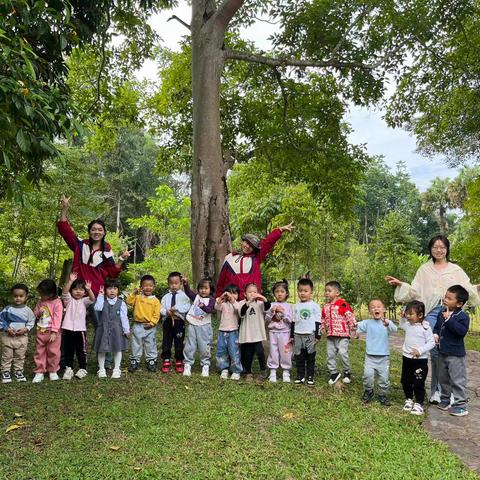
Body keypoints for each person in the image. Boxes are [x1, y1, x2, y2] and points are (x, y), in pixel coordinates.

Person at [385, 234, 480, 404]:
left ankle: (448, 391)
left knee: (448, 352)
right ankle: (436, 390)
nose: (439, 250)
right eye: (435, 247)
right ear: (430, 249)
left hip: (451, 314)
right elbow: (415, 290)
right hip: (432, 313)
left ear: (447, 249)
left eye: (442, 247)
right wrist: (401, 285)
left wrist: (477, 288)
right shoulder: (424, 269)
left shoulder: (456, 270)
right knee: (435, 353)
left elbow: (466, 289)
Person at [216, 223, 294, 300]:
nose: (247, 246)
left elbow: (267, 243)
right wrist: (218, 297)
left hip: (252, 300)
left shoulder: (256, 258)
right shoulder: (229, 258)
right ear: (242, 242)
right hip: (231, 300)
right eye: (246, 243)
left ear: (254, 249)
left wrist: (279, 230)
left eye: (251, 246)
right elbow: (221, 281)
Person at [434, 285, 470, 417]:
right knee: (443, 378)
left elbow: (461, 332)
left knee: (457, 379)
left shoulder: (462, 317)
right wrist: (435, 334)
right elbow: (437, 327)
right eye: (445, 296)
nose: (445, 299)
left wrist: (449, 319)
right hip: (442, 352)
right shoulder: (441, 312)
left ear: (459, 303)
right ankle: (445, 400)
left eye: (449, 298)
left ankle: (460, 405)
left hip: (455, 355)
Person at [356, 299, 397, 406]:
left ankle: (382, 395)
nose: (376, 308)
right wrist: (354, 332)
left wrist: (388, 324)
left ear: (384, 309)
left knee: (384, 378)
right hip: (370, 357)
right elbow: (356, 326)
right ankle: (368, 391)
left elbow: (394, 329)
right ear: (370, 311)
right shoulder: (367, 323)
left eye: (379, 306)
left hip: (383, 357)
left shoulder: (387, 323)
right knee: (367, 376)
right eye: (373, 307)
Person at [399, 301, 435, 416]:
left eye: (410, 314)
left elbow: (432, 343)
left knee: (418, 382)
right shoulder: (408, 324)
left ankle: (419, 403)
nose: (408, 316)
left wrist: (420, 350)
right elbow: (401, 325)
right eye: (407, 313)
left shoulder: (425, 328)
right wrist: (402, 318)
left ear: (420, 315)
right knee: (406, 381)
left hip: (420, 361)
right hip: (407, 358)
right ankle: (408, 399)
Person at [93, 278, 130, 379]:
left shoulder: (121, 303)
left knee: (117, 349)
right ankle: (101, 369)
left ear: (118, 290)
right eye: (109, 288)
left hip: (116, 329)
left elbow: (124, 317)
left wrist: (126, 330)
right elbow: (97, 308)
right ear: (105, 290)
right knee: (101, 349)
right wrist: (100, 296)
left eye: (115, 288)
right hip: (103, 329)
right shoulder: (102, 301)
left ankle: (116, 369)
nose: (112, 290)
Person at [322, 281, 357, 385]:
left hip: (343, 335)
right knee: (330, 355)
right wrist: (322, 327)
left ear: (337, 293)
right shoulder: (325, 307)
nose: (326, 293)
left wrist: (353, 328)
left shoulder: (342, 304)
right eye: (326, 291)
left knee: (342, 353)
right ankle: (334, 373)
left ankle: (347, 372)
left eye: (329, 291)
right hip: (330, 336)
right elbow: (323, 318)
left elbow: (349, 316)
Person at [61, 273, 95, 380]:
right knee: (68, 349)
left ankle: (82, 368)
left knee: (81, 350)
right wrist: (70, 281)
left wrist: (89, 289)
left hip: (80, 330)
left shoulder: (84, 301)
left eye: (81, 289)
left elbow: (92, 298)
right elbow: (64, 292)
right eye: (75, 289)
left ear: (84, 292)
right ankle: (69, 368)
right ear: (71, 291)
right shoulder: (68, 300)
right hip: (68, 329)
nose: (78, 291)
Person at [0, 284, 35, 383]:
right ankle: (5, 372)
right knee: (7, 355)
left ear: (26, 297)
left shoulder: (28, 310)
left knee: (20, 355)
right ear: (12, 296)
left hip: (22, 337)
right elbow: (1, 320)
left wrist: (26, 328)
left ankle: (18, 371)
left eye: (21, 296)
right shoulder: (7, 309)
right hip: (7, 337)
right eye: (15, 296)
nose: (18, 298)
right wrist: (7, 328)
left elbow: (31, 321)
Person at [290, 277, 321, 387]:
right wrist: (291, 335)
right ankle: (300, 376)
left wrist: (318, 335)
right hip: (298, 334)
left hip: (310, 335)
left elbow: (318, 322)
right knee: (299, 356)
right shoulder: (295, 306)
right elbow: (293, 322)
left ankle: (310, 376)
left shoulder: (315, 306)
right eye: (300, 290)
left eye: (305, 291)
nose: (302, 293)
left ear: (311, 292)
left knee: (310, 356)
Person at [126, 275, 161, 373]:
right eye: (145, 285)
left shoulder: (155, 301)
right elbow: (128, 301)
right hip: (137, 324)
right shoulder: (137, 297)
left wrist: (152, 323)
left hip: (150, 326)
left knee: (150, 343)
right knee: (136, 343)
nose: (148, 288)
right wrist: (133, 293)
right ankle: (135, 360)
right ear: (141, 287)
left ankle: (151, 360)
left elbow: (156, 314)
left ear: (154, 287)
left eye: (150, 285)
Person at [182, 277, 215, 377]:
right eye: (201, 288)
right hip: (192, 324)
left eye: (206, 288)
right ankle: (187, 364)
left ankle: (205, 365)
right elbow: (188, 292)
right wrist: (185, 284)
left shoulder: (211, 300)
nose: (203, 290)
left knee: (204, 346)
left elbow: (210, 310)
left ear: (210, 290)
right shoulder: (196, 297)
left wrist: (203, 307)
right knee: (190, 344)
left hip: (204, 326)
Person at [32, 279, 63, 383]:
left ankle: (53, 370)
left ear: (51, 293)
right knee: (39, 351)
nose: (41, 296)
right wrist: (38, 312)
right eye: (40, 293)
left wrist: (54, 331)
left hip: (52, 332)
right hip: (41, 330)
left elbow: (58, 317)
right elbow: (35, 314)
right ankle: (40, 371)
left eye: (43, 294)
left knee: (53, 351)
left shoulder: (57, 302)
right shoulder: (40, 302)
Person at [239, 283, 270, 382]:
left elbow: (267, 307)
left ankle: (263, 371)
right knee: (247, 354)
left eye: (255, 292)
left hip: (257, 334)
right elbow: (242, 313)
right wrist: (249, 302)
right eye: (250, 292)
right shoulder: (242, 303)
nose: (252, 294)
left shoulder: (260, 304)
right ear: (245, 294)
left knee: (260, 352)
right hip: (247, 334)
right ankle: (248, 372)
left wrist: (263, 298)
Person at [160, 272, 191, 374]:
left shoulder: (184, 296)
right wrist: (166, 312)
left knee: (179, 341)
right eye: (171, 283)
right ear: (168, 283)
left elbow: (187, 307)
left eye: (176, 283)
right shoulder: (165, 297)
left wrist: (176, 307)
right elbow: (161, 308)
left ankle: (179, 359)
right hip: (168, 321)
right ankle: (166, 359)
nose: (174, 285)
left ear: (180, 283)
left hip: (178, 321)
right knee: (166, 341)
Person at [265, 280, 293, 383]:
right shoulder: (271, 305)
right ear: (274, 293)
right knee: (273, 351)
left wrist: (283, 313)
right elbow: (267, 320)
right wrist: (272, 312)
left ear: (286, 293)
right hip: (273, 332)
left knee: (286, 351)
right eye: (277, 291)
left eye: (282, 291)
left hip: (285, 333)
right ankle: (273, 371)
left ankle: (286, 371)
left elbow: (290, 320)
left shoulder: (289, 306)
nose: (280, 294)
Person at [215, 284, 243, 380]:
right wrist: (222, 297)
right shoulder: (223, 304)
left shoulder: (238, 304)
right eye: (230, 293)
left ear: (238, 295)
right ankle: (224, 368)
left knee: (234, 351)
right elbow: (216, 306)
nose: (232, 295)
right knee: (221, 351)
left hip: (233, 332)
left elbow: (239, 310)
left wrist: (232, 300)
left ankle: (236, 370)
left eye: (234, 293)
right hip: (222, 331)